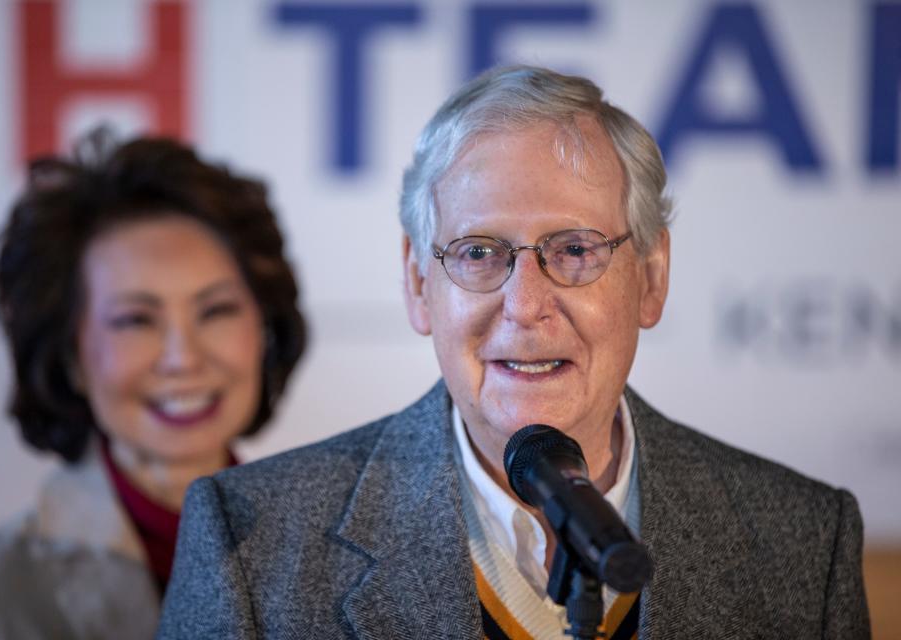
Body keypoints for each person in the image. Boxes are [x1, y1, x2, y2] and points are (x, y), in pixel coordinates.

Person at [157, 66, 869, 639]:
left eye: (575, 250)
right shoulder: (250, 540)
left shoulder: (804, 543)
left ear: (651, 278)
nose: (526, 305)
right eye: (477, 252)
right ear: (416, 283)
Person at [0, 130, 306, 639]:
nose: (183, 359)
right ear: (69, 356)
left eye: (216, 310)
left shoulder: (339, 549)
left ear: (264, 328)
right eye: (136, 320)